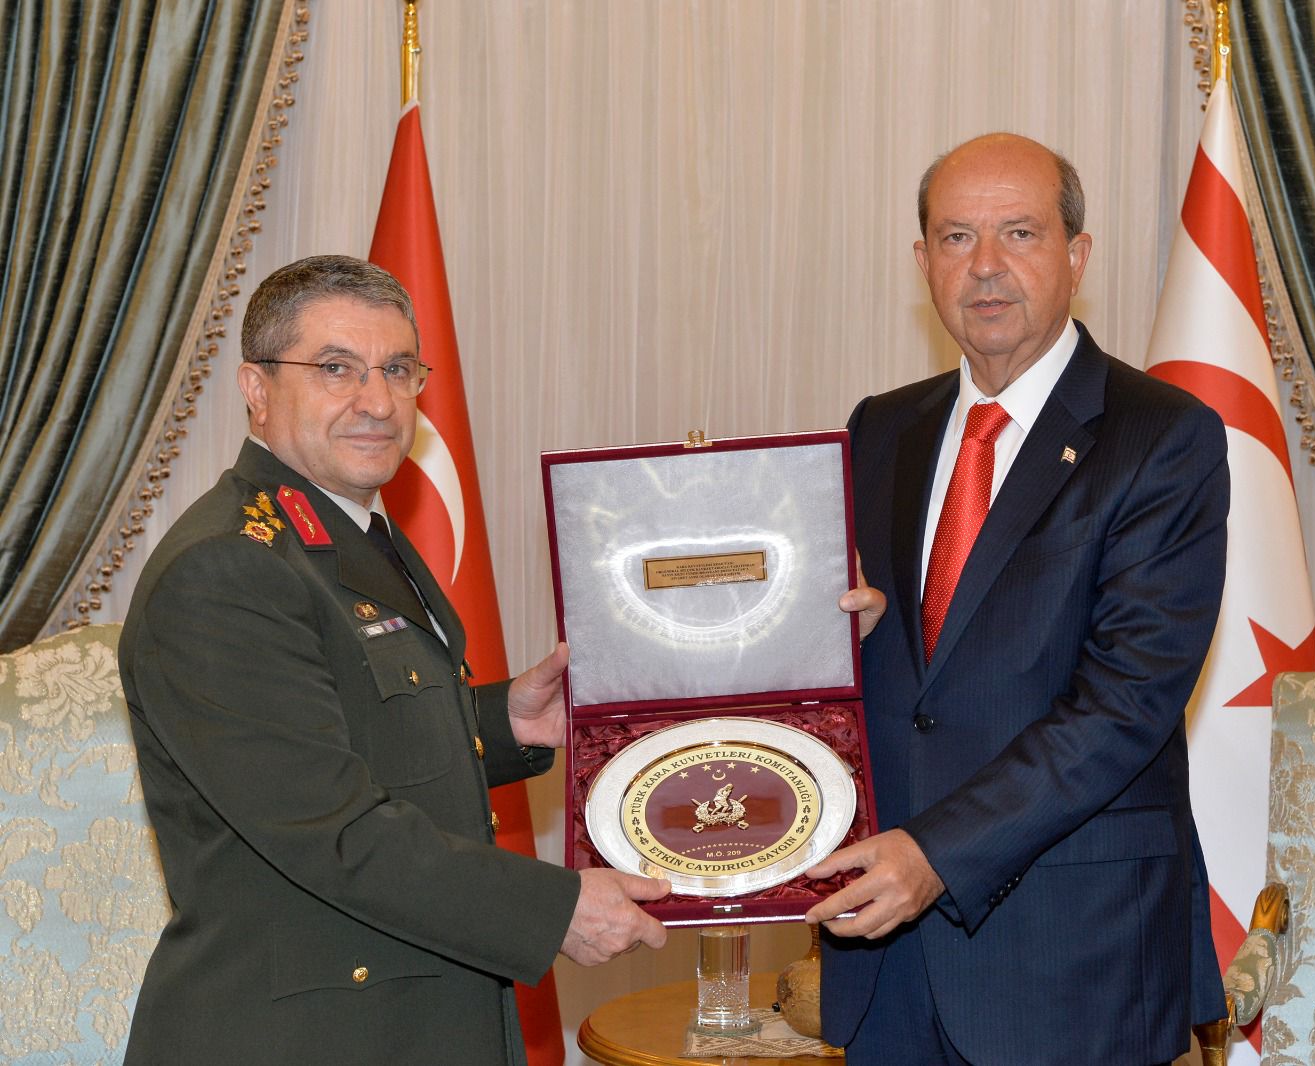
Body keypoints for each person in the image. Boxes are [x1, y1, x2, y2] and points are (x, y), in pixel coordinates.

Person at [119, 255, 669, 1065]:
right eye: (336, 368)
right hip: (302, 1038)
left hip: (402, 1013)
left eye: (398, 369)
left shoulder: (342, 531)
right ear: (257, 388)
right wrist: (552, 911)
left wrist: (502, 721)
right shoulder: (228, 567)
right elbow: (331, 828)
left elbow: (349, 724)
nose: (377, 401)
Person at [804, 133, 1230, 1064]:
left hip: (1073, 958)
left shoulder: (1162, 438)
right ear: (923, 262)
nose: (986, 265)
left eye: (1020, 233)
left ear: (1078, 255)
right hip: (888, 966)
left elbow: (1125, 704)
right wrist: (829, 639)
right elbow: (903, 670)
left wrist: (936, 855)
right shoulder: (881, 428)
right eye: (956, 237)